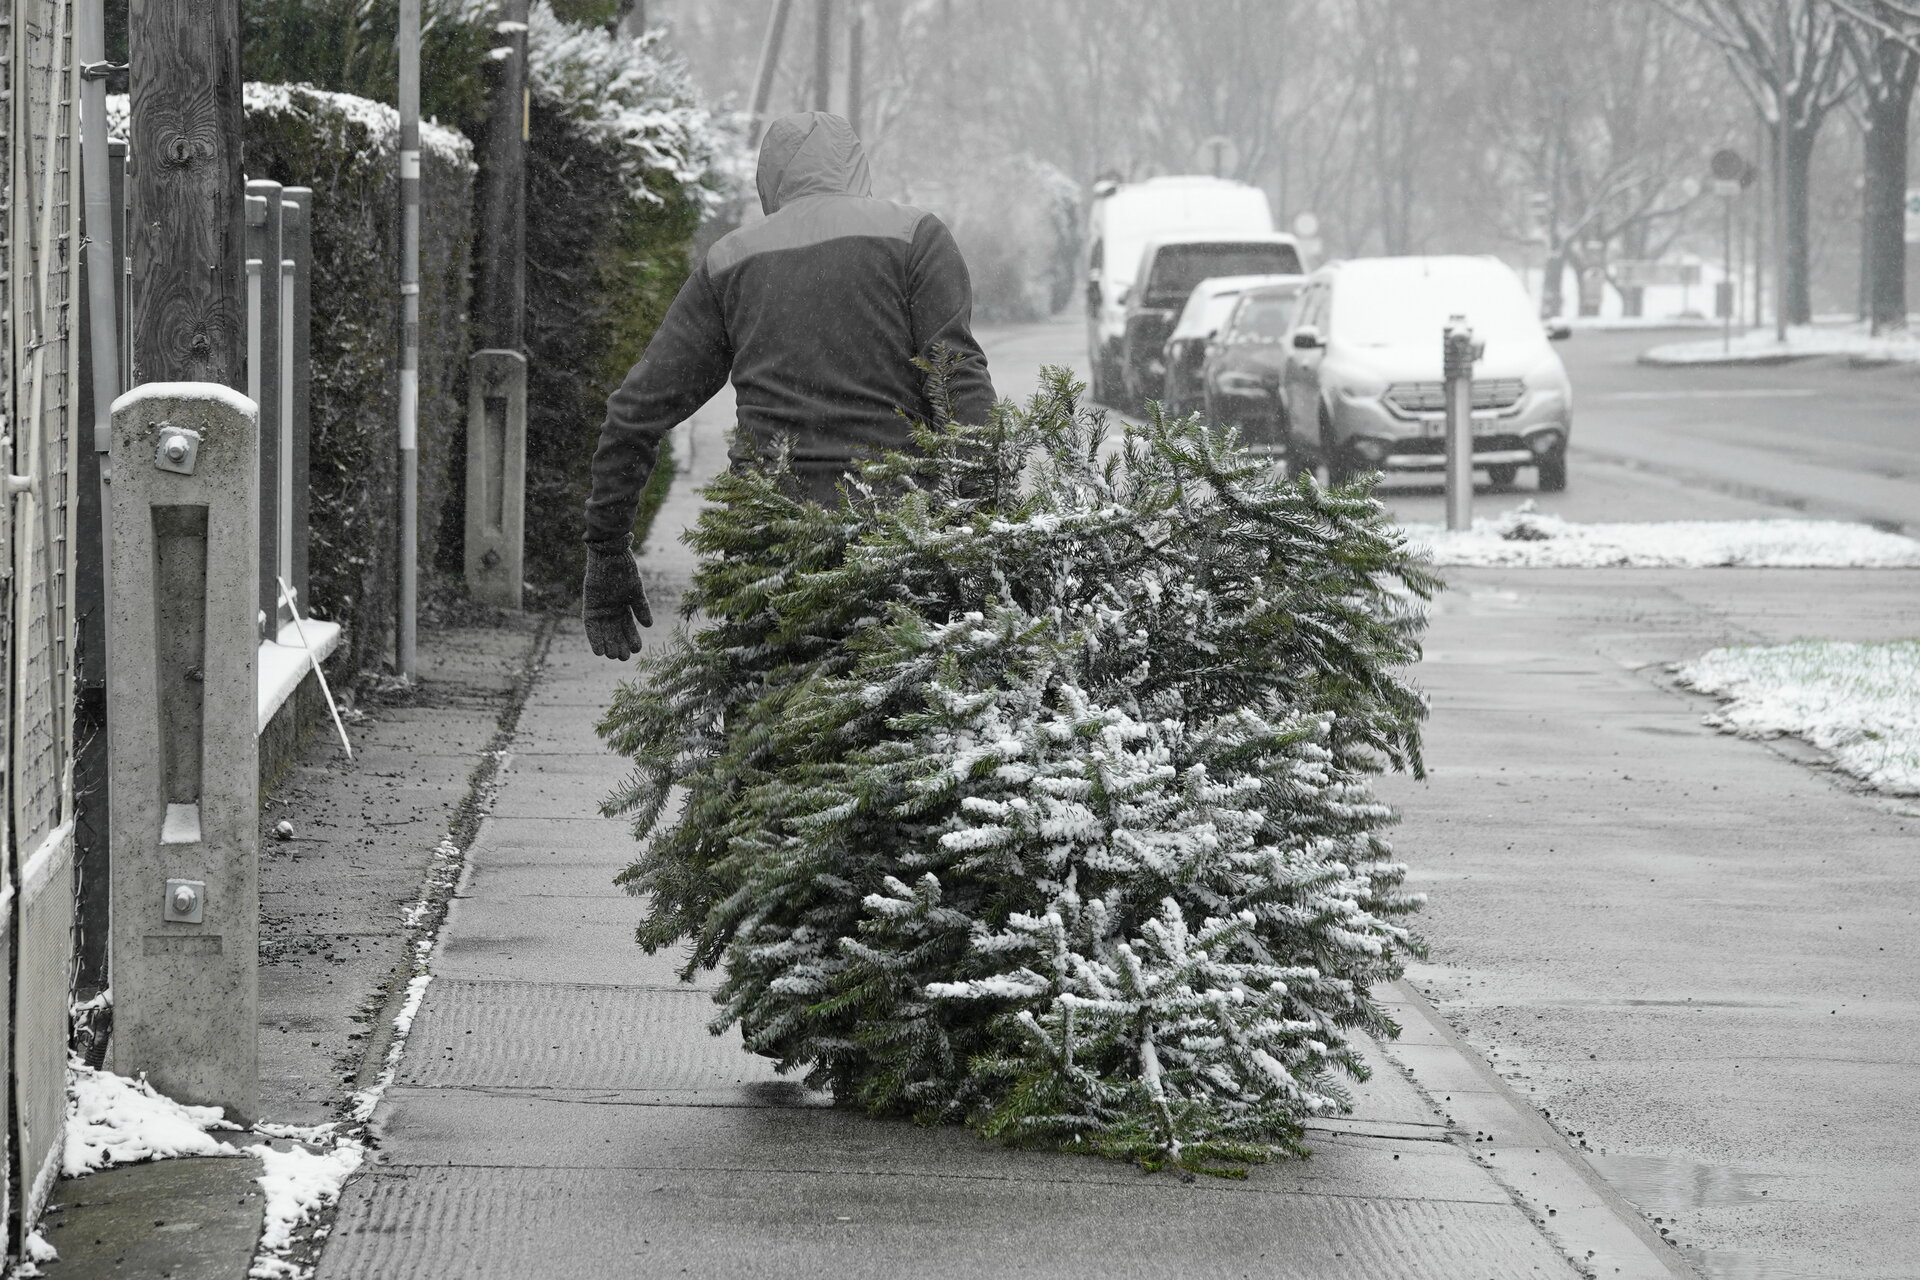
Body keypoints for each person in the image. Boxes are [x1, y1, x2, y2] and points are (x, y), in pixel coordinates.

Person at [579, 111, 997, 660]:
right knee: (902, 719)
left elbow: (636, 412)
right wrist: (982, 524)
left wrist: (607, 547)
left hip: (770, 536)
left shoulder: (732, 259)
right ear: (855, 167)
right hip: (897, 531)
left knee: (766, 723)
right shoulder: (914, 236)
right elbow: (959, 383)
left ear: (767, 180)